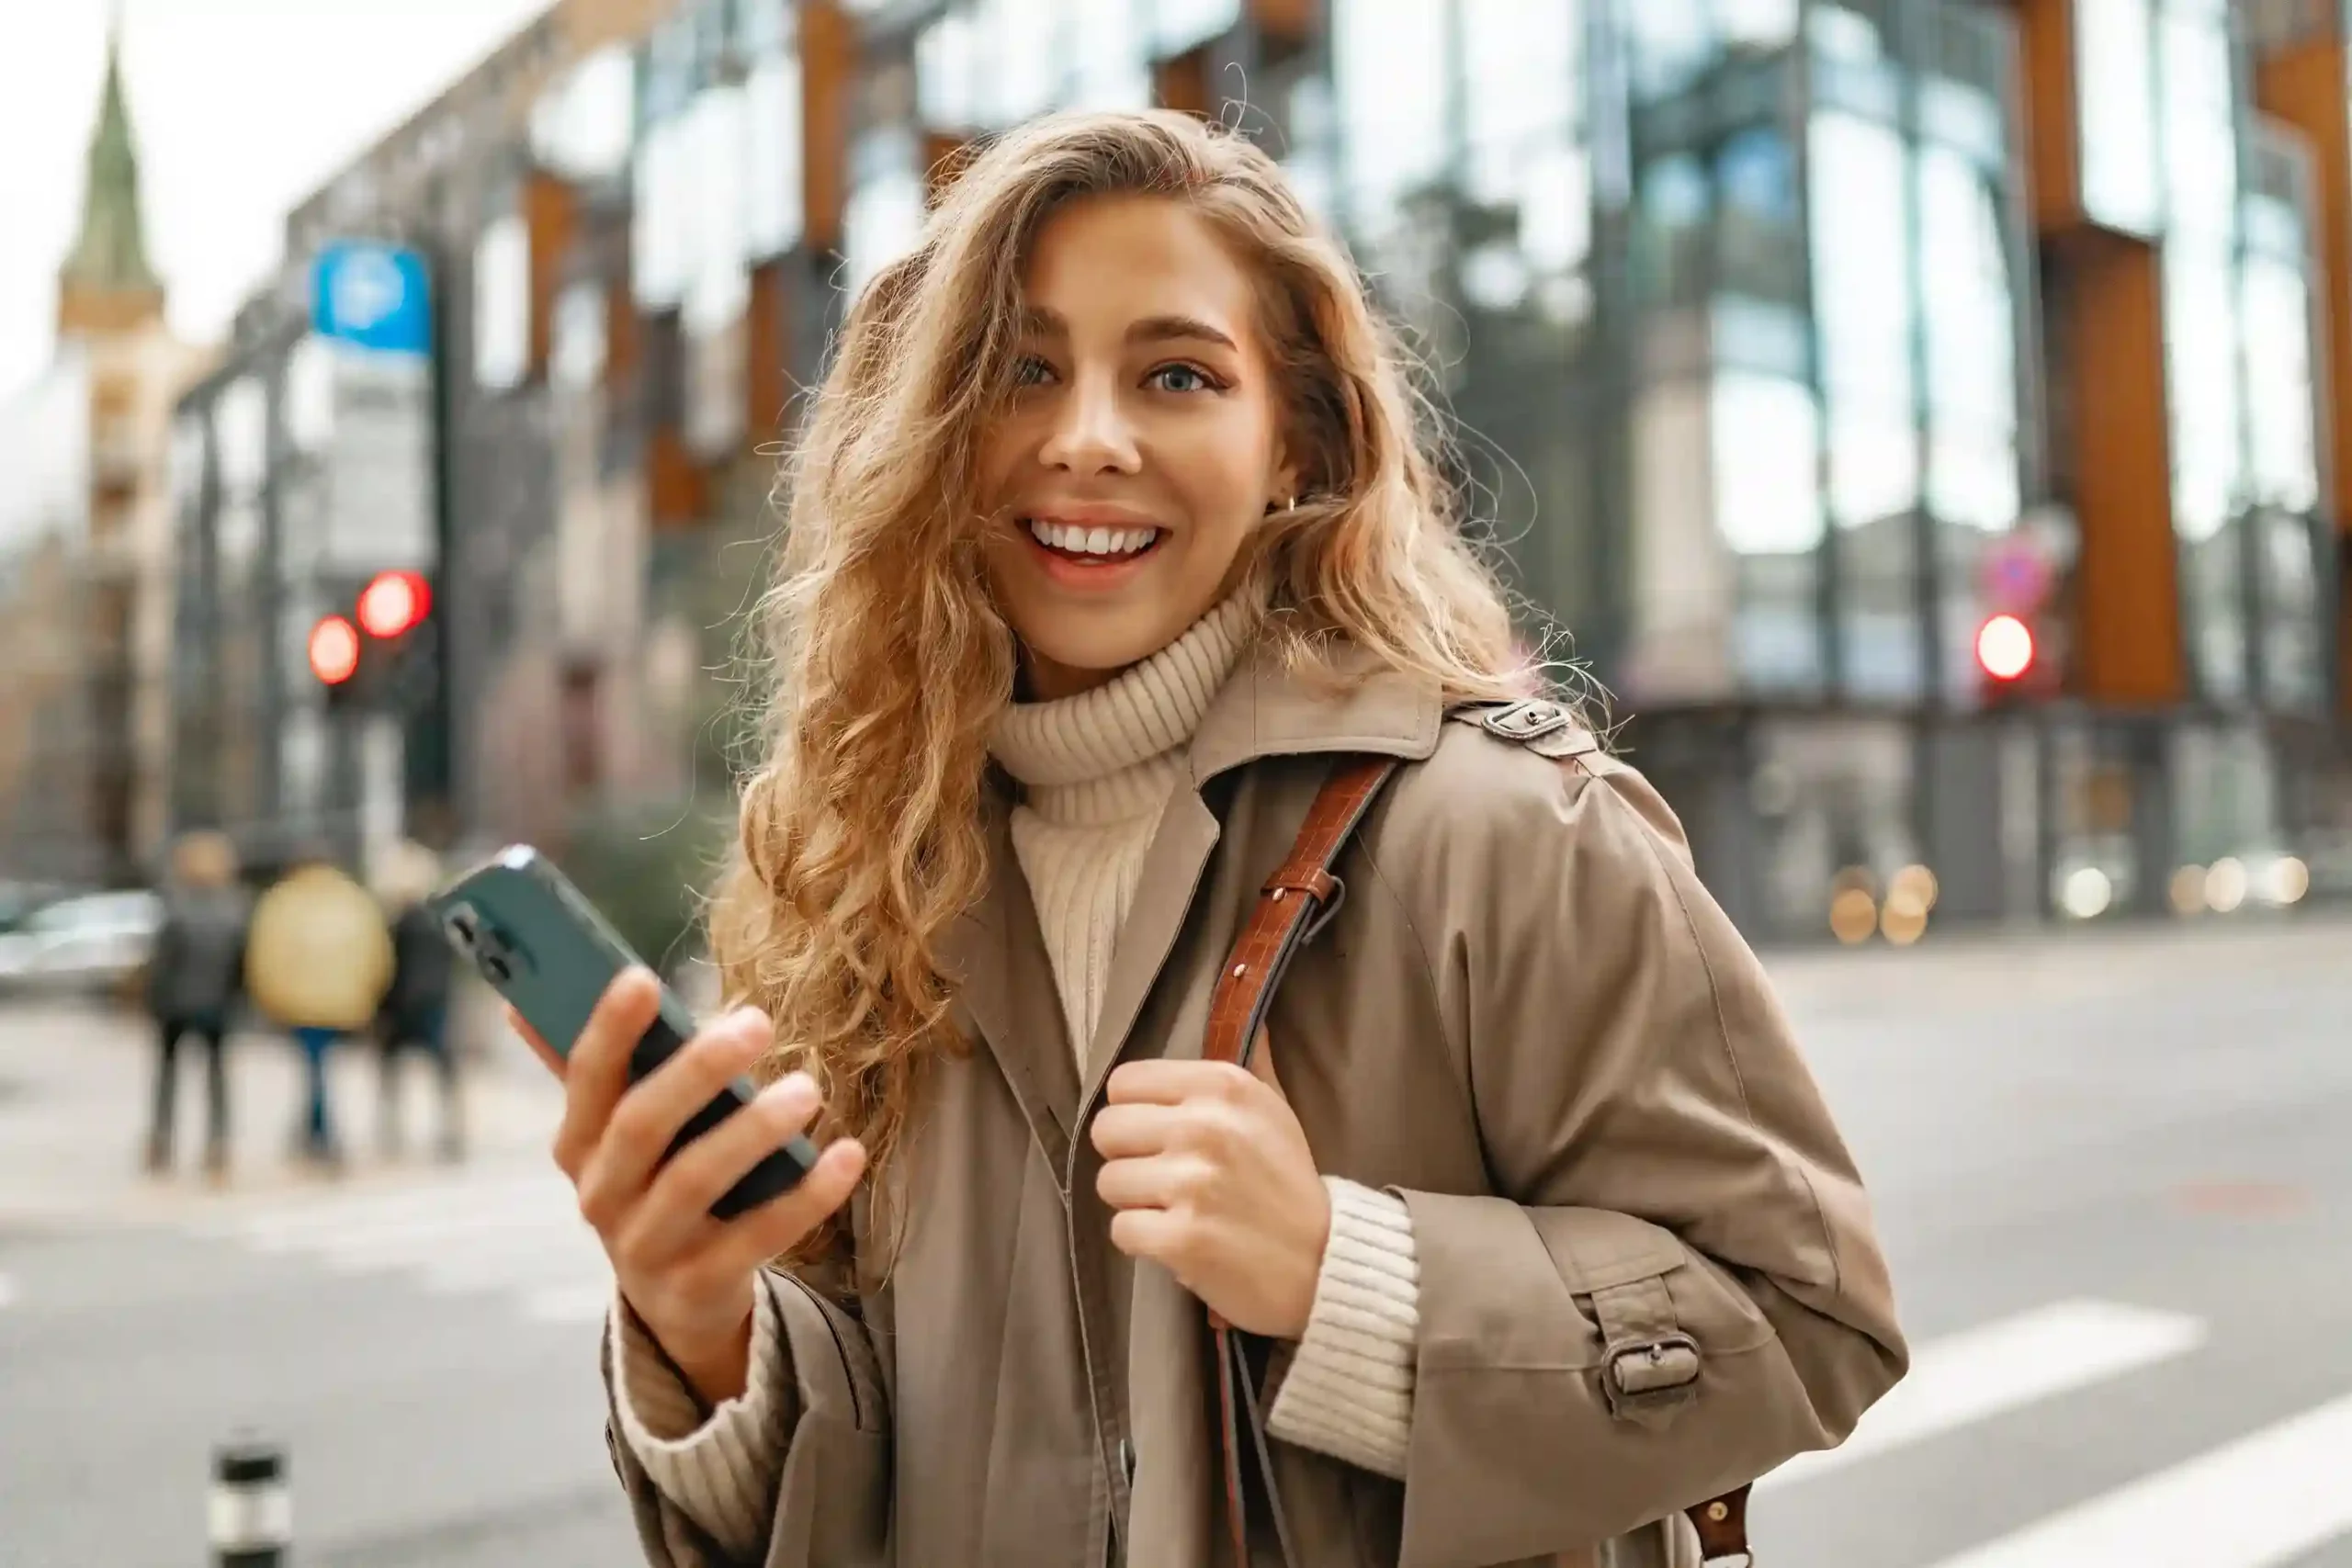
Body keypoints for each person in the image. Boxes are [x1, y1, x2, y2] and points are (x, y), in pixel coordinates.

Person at [539, 111, 1908, 1568]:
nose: (1088, 439)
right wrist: (705, 1336)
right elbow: (906, 1449)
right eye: (1022, 370)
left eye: (1178, 374)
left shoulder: (1505, 830)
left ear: (1293, 446)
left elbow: (1807, 1313)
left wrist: (1348, 1274)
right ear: (936, 431)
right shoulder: (867, 866)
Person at [243, 852, 393, 1172]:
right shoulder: (353, 900)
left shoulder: (283, 902)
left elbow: (266, 956)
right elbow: (377, 953)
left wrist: (270, 998)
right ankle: (312, 1131)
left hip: (300, 1003)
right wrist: (367, 993)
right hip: (343, 1000)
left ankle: (322, 1134)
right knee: (319, 1066)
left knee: (314, 1067)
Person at [142, 830, 251, 1180]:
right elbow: (242, 965)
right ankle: (217, 1143)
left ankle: (161, 1140)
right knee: (217, 1079)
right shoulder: (235, 909)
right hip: (218, 1006)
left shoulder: (175, 905)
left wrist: (154, 1003)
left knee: (168, 1077)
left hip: (175, 1006)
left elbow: (162, 964)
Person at [370, 840, 465, 1163]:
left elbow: (384, 968)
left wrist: (381, 1008)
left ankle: (392, 1132)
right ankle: (450, 1132)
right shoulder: (440, 920)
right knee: (442, 1069)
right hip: (435, 1001)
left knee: (392, 1071)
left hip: (401, 1005)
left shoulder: (394, 925)